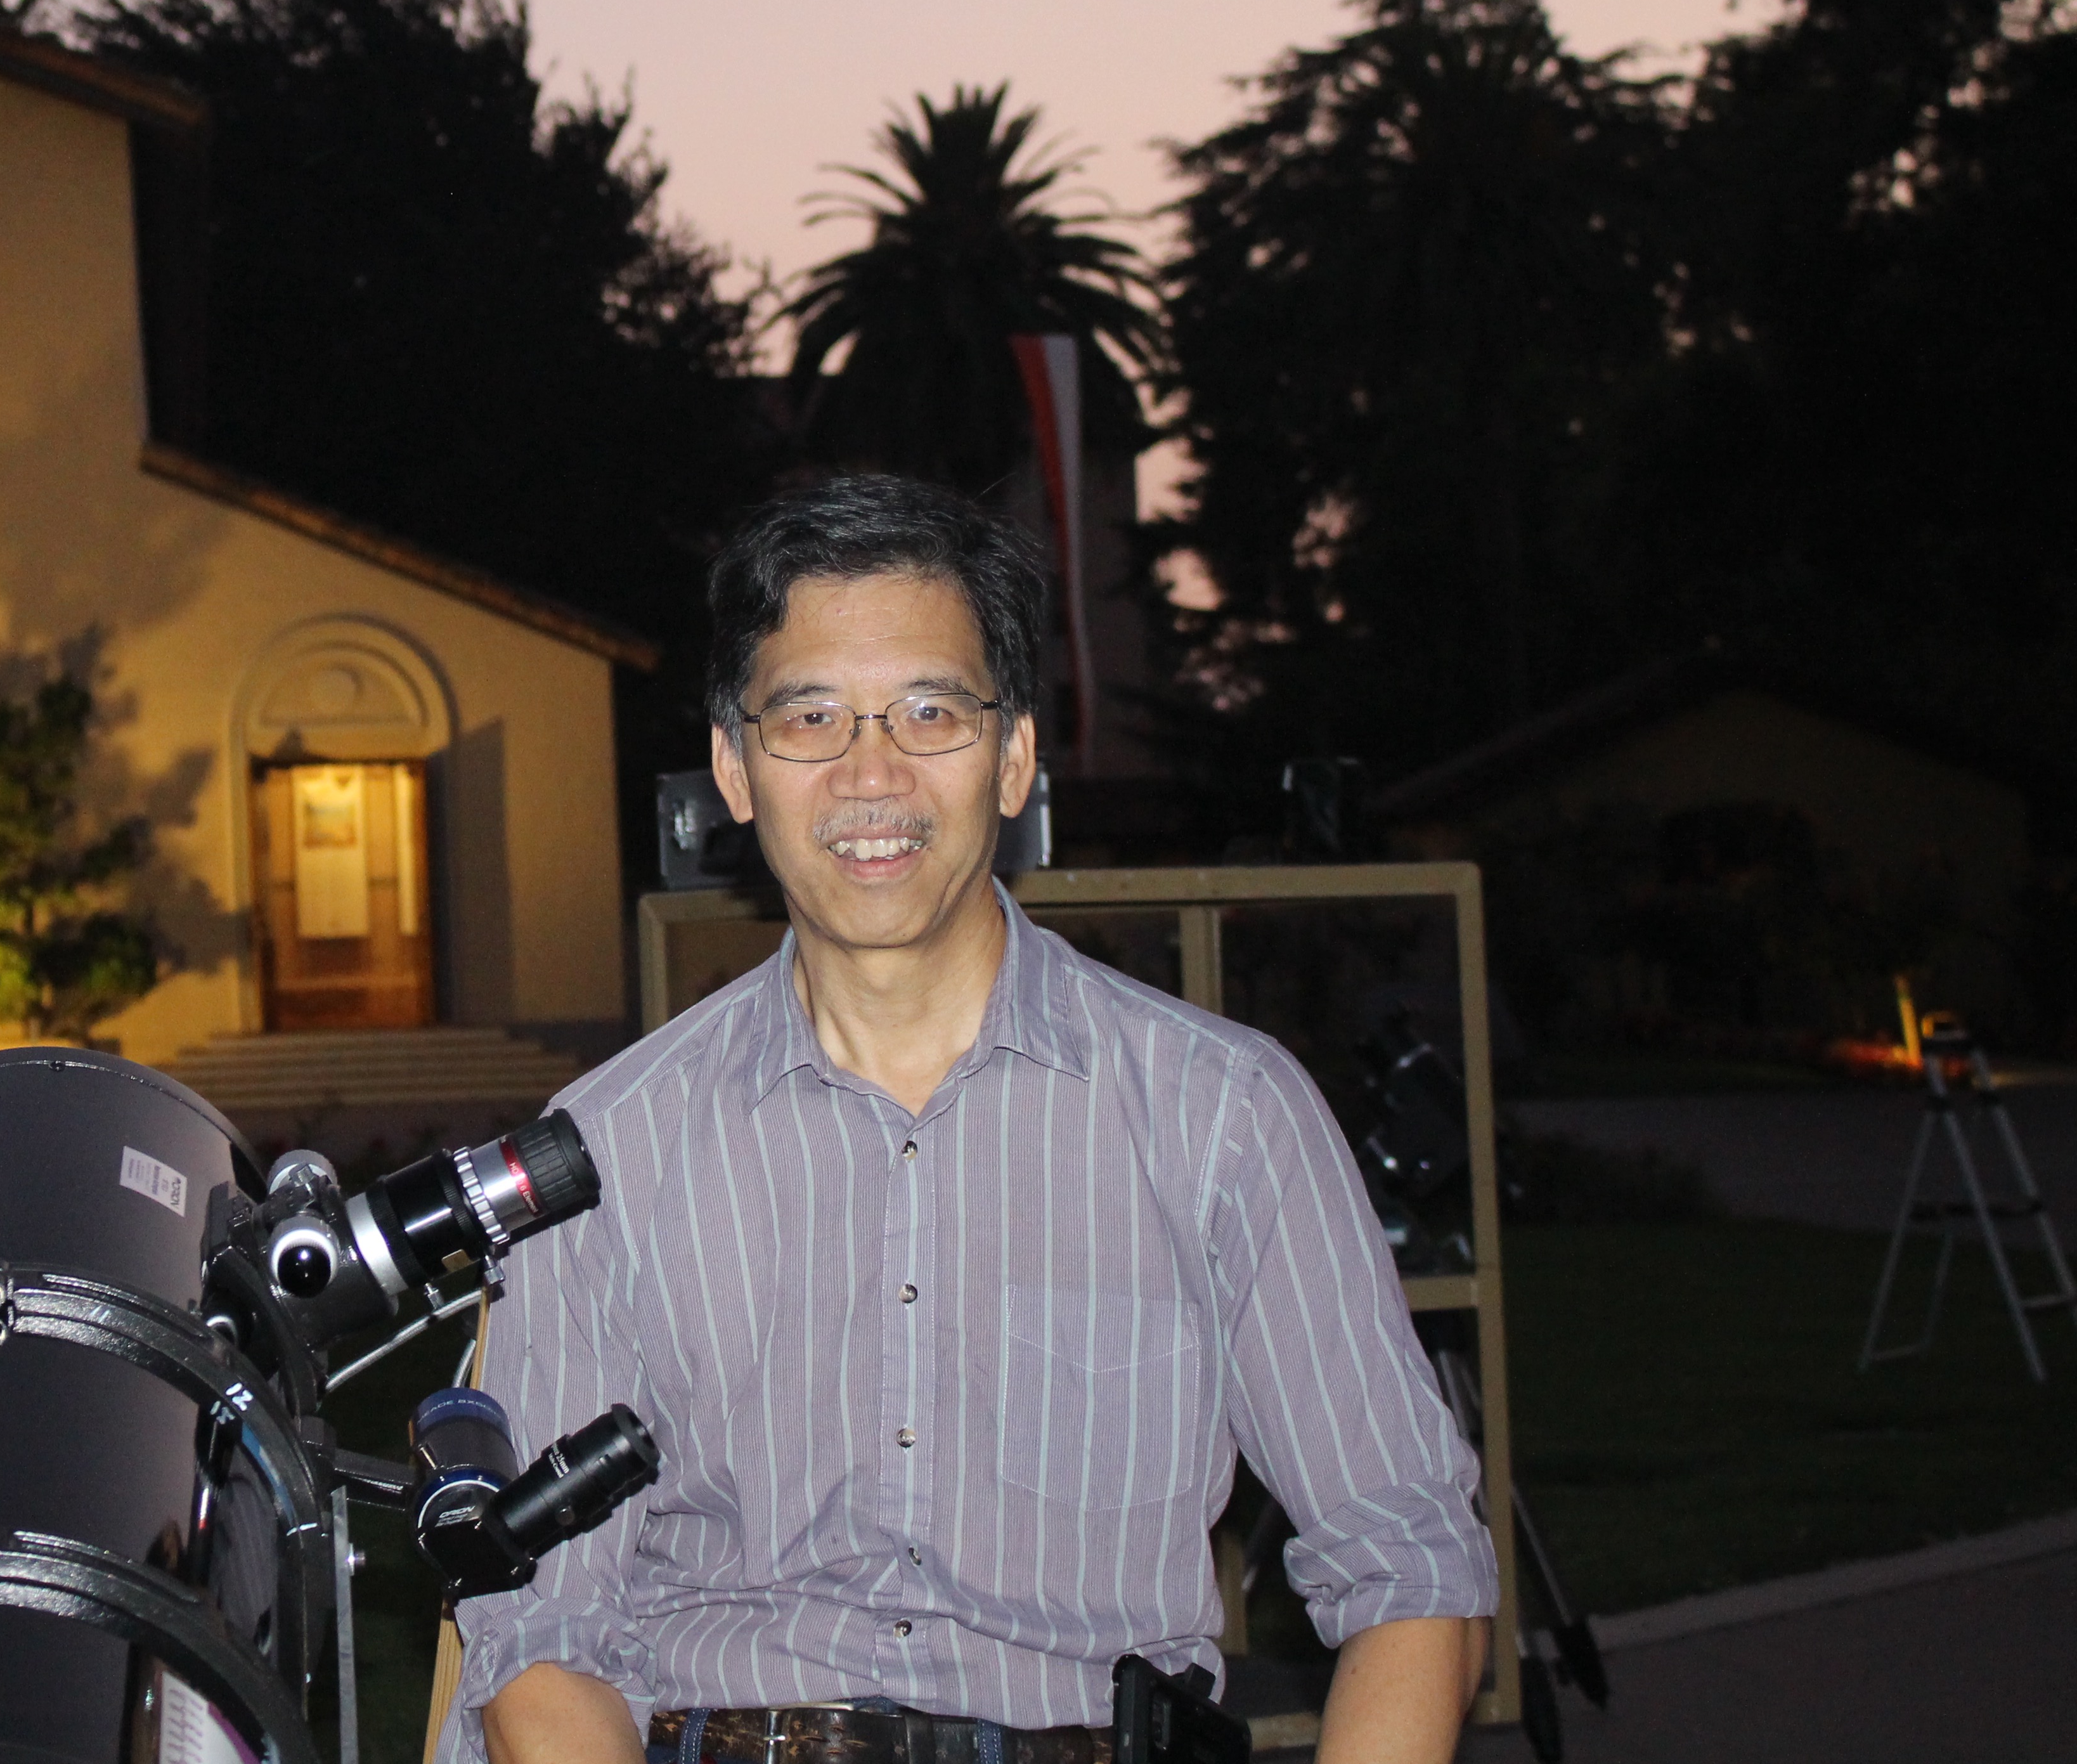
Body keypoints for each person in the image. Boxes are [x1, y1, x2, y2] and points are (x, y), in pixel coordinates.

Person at [455, 477, 1493, 1764]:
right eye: (811, 715)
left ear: (1014, 759)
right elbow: (539, 1634)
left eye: (932, 712)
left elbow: (1414, 1571)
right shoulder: (601, 1152)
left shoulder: (1223, 1118)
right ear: (735, 768)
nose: (871, 773)